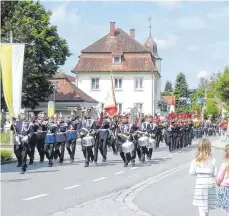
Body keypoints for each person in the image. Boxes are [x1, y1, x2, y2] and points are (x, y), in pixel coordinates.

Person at [189, 139, 217, 216]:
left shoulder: (196, 160)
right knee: (207, 205)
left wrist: (199, 174)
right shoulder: (213, 159)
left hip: (200, 183)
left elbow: (191, 172)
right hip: (210, 183)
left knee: (201, 206)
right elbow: (215, 173)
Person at [216, 144, 229, 215]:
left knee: (227, 209)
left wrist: (218, 183)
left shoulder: (224, 164)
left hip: (226, 189)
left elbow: (219, 177)